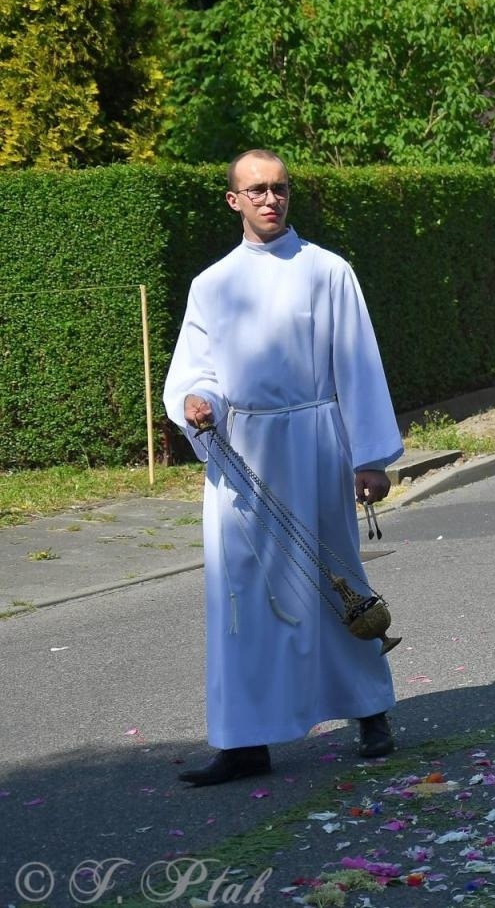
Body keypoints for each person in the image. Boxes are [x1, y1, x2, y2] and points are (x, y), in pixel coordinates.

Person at [163, 149, 404, 787]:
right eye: (257, 190)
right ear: (233, 200)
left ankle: (369, 710)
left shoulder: (328, 271)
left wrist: (371, 456)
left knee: (337, 578)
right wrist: (198, 403)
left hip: (319, 444)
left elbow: (357, 364)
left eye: (280, 189)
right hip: (243, 457)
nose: (271, 199)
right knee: (241, 595)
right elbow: (199, 371)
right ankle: (246, 740)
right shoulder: (211, 285)